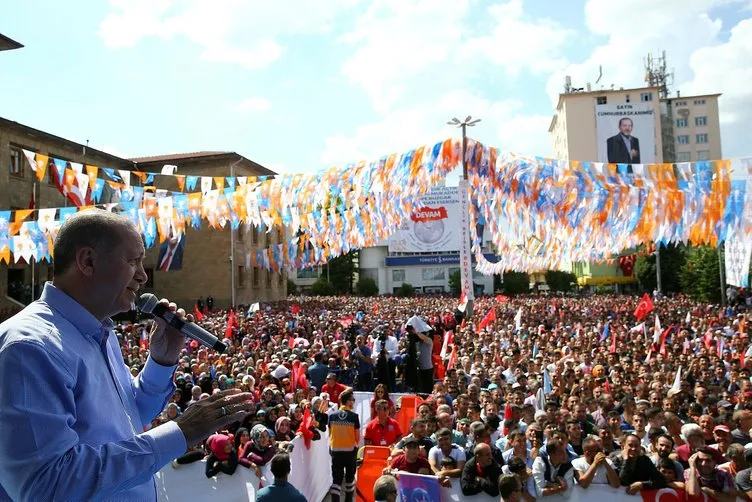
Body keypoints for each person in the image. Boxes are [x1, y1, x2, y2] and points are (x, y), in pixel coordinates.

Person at [0, 210, 252, 501]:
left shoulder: (99, 332)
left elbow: (132, 417)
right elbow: (48, 485)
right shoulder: (29, 348)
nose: (144, 275)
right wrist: (181, 431)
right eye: (133, 261)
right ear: (88, 262)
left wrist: (162, 360)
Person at [328, 390, 360, 502]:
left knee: (336, 481)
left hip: (335, 452)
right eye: (352, 400)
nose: (353, 403)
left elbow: (330, 434)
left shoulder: (332, 416)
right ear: (348, 401)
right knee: (349, 480)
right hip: (350, 452)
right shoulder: (354, 417)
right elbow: (357, 438)